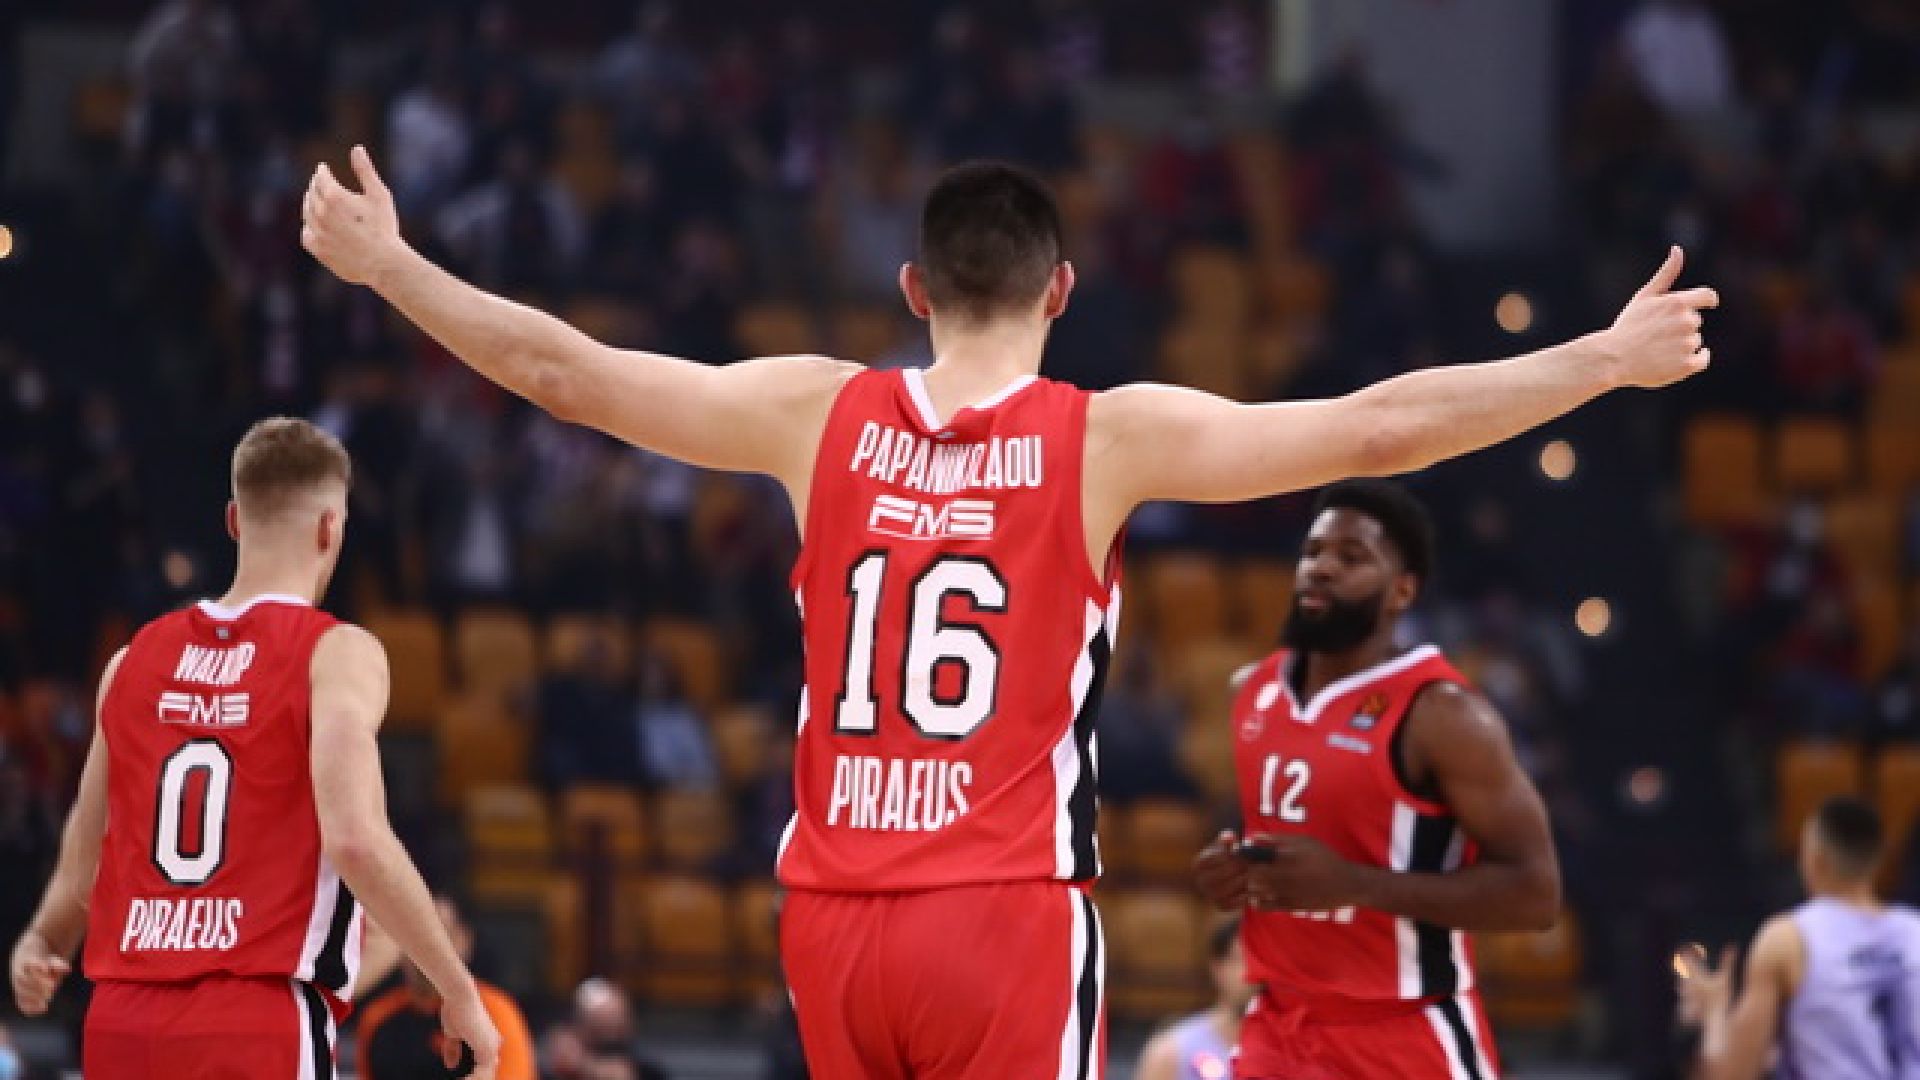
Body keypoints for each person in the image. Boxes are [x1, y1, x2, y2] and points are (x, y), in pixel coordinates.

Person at [301, 143, 1714, 1076]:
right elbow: (1378, 429)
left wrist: (389, 267)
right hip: (998, 914)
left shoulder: (816, 412)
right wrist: (1599, 359)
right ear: (1063, 291)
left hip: (832, 915)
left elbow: (567, 374)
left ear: (914, 289)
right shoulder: (1102, 437)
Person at [7, 417, 499, 1079]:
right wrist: (457, 987)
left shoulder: (131, 661)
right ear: (330, 529)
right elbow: (356, 840)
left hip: (123, 1020)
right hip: (254, 1017)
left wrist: (42, 939)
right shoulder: (336, 653)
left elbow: (85, 858)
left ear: (234, 521)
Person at [1192, 481, 1561, 1079]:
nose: (1322, 568)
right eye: (1313, 552)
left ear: (1402, 591)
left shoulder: (1443, 714)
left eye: (1352, 557)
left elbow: (1535, 895)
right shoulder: (1251, 691)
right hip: (1279, 1029)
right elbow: (1274, 841)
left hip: (1404, 1031)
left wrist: (1356, 886)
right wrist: (1227, 872)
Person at [1677, 796, 1920, 1079]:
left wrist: (1715, 1015)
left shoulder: (1789, 939)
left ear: (1814, 859)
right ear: (1878, 860)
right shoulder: (1914, 931)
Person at [356, 895, 536, 1080]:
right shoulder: (377, 1016)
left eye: (440, 936)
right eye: (412, 935)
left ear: (463, 941)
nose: (424, 948)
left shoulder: (495, 1012)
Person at [1135, 917, 1252, 1080]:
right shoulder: (1171, 1053)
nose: (1257, 975)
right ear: (1218, 967)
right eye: (1245, 961)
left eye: (1266, 964)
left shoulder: (1286, 1051)